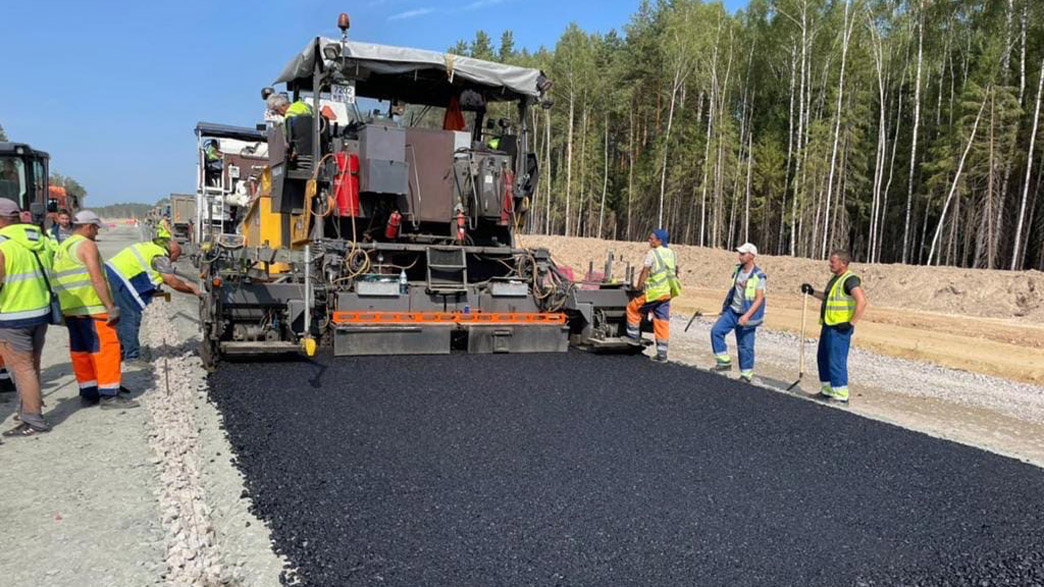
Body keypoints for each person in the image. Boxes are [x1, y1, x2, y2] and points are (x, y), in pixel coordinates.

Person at [52, 210, 137, 409]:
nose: (97, 233)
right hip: (93, 308)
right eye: (96, 228)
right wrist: (110, 306)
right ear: (88, 226)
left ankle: (88, 393)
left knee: (81, 352)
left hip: (71, 308)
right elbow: (96, 277)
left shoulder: (63, 247)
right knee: (106, 350)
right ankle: (109, 396)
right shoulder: (87, 245)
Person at [105, 228, 201, 363]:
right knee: (131, 317)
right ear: (172, 252)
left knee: (122, 317)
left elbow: (159, 277)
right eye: (175, 257)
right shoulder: (161, 256)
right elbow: (172, 282)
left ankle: (121, 350)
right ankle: (131, 357)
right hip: (122, 279)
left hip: (113, 273)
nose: (174, 261)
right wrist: (193, 289)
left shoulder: (150, 247)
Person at [0, 198, 54, 436]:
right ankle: (30, 409)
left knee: (22, 369)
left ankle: (33, 419)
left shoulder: (3, 244)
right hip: (40, 312)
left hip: (13, 315)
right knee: (32, 366)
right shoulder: (38, 240)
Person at [801, 250, 869, 403]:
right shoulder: (835, 278)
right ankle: (827, 391)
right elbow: (827, 298)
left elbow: (862, 301)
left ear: (843, 263)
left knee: (836, 360)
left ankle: (841, 395)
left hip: (840, 329)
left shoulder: (850, 280)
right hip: (828, 325)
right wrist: (811, 292)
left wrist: (851, 323)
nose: (830, 264)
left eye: (833, 261)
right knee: (823, 358)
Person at [710, 243, 767, 382]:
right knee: (716, 331)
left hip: (747, 315)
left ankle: (746, 374)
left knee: (745, 346)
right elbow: (733, 291)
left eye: (743, 254)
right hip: (733, 311)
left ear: (752, 256)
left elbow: (759, 299)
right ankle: (723, 361)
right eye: (739, 253)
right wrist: (725, 308)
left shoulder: (759, 276)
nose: (739, 256)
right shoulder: (737, 270)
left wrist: (747, 316)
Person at [625, 229, 678, 363]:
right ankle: (662, 354)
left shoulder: (652, 253)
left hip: (654, 293)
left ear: (659, 241)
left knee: (633, 308)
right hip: (667, 293)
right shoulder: (671, 253)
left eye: (652, 239)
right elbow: (675, 271)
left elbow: (645, 271)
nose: (650, 241)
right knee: (662, 321)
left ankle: (633, 337)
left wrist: (638, 288)